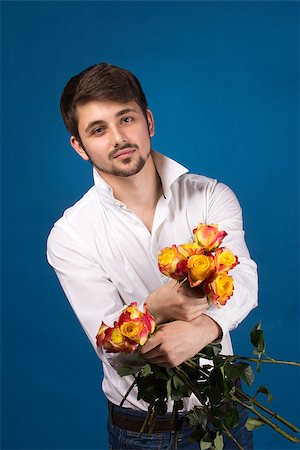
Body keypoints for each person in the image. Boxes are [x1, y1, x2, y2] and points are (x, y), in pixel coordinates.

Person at [47, 62, 258, 449]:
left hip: (224, 416)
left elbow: (243, 281)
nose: (118, 138)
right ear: (79, 146)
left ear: (148, 120)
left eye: (125, 119)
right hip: (141, 430)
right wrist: (155, 308)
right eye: (98, 129)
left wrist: (203, 330)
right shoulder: (70, 236)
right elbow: (112, 349)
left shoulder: (210, 196)